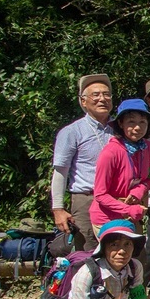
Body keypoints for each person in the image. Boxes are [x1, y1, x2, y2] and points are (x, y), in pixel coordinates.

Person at [52, 74, 115, 251]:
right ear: (83, 101)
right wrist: (58, 209)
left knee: (118, 252)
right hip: (87, 199)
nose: (102, 99)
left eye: (106, 94)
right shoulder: (72, 131)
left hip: (117, 200)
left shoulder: (118, 128)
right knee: (88, 253)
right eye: (95, 95)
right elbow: (60, 172)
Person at [91, 99, 150, 230]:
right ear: (121, 123)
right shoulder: (111, 153)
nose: (138, 127)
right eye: (131, 122)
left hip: (134, 214)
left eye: (142, 122)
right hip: (107, 218)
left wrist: (139, 190)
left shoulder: (148, 147)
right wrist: (127, 209)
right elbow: (100, 194)